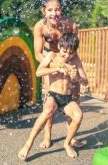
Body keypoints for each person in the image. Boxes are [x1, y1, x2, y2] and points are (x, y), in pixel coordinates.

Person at [18, 33, 89, 161]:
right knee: (47, 111)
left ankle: (67, 143)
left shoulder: (75, 60)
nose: (67, 56)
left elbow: (85, 81)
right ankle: (28, 144)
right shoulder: (52, 55)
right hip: (53, 95)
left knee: (78, 116)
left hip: (67, 97)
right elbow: (39, 72)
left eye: (71, 53)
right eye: (64, 52)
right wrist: (56, 68)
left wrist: (76, 77)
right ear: (59, 46)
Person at [33, 0, 86, 148]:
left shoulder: (70, 25)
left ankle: (72, 136)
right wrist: (53, 65)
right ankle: (47, 134)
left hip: (68, 61)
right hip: (49, 60)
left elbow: (74, 48)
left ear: (61, 10)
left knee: (74, 98)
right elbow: (38, 53)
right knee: (50, 100)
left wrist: (71, 67)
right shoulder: (40, 27)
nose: (54, 13)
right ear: (44, 12)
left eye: (57, 9)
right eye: (50, 10)